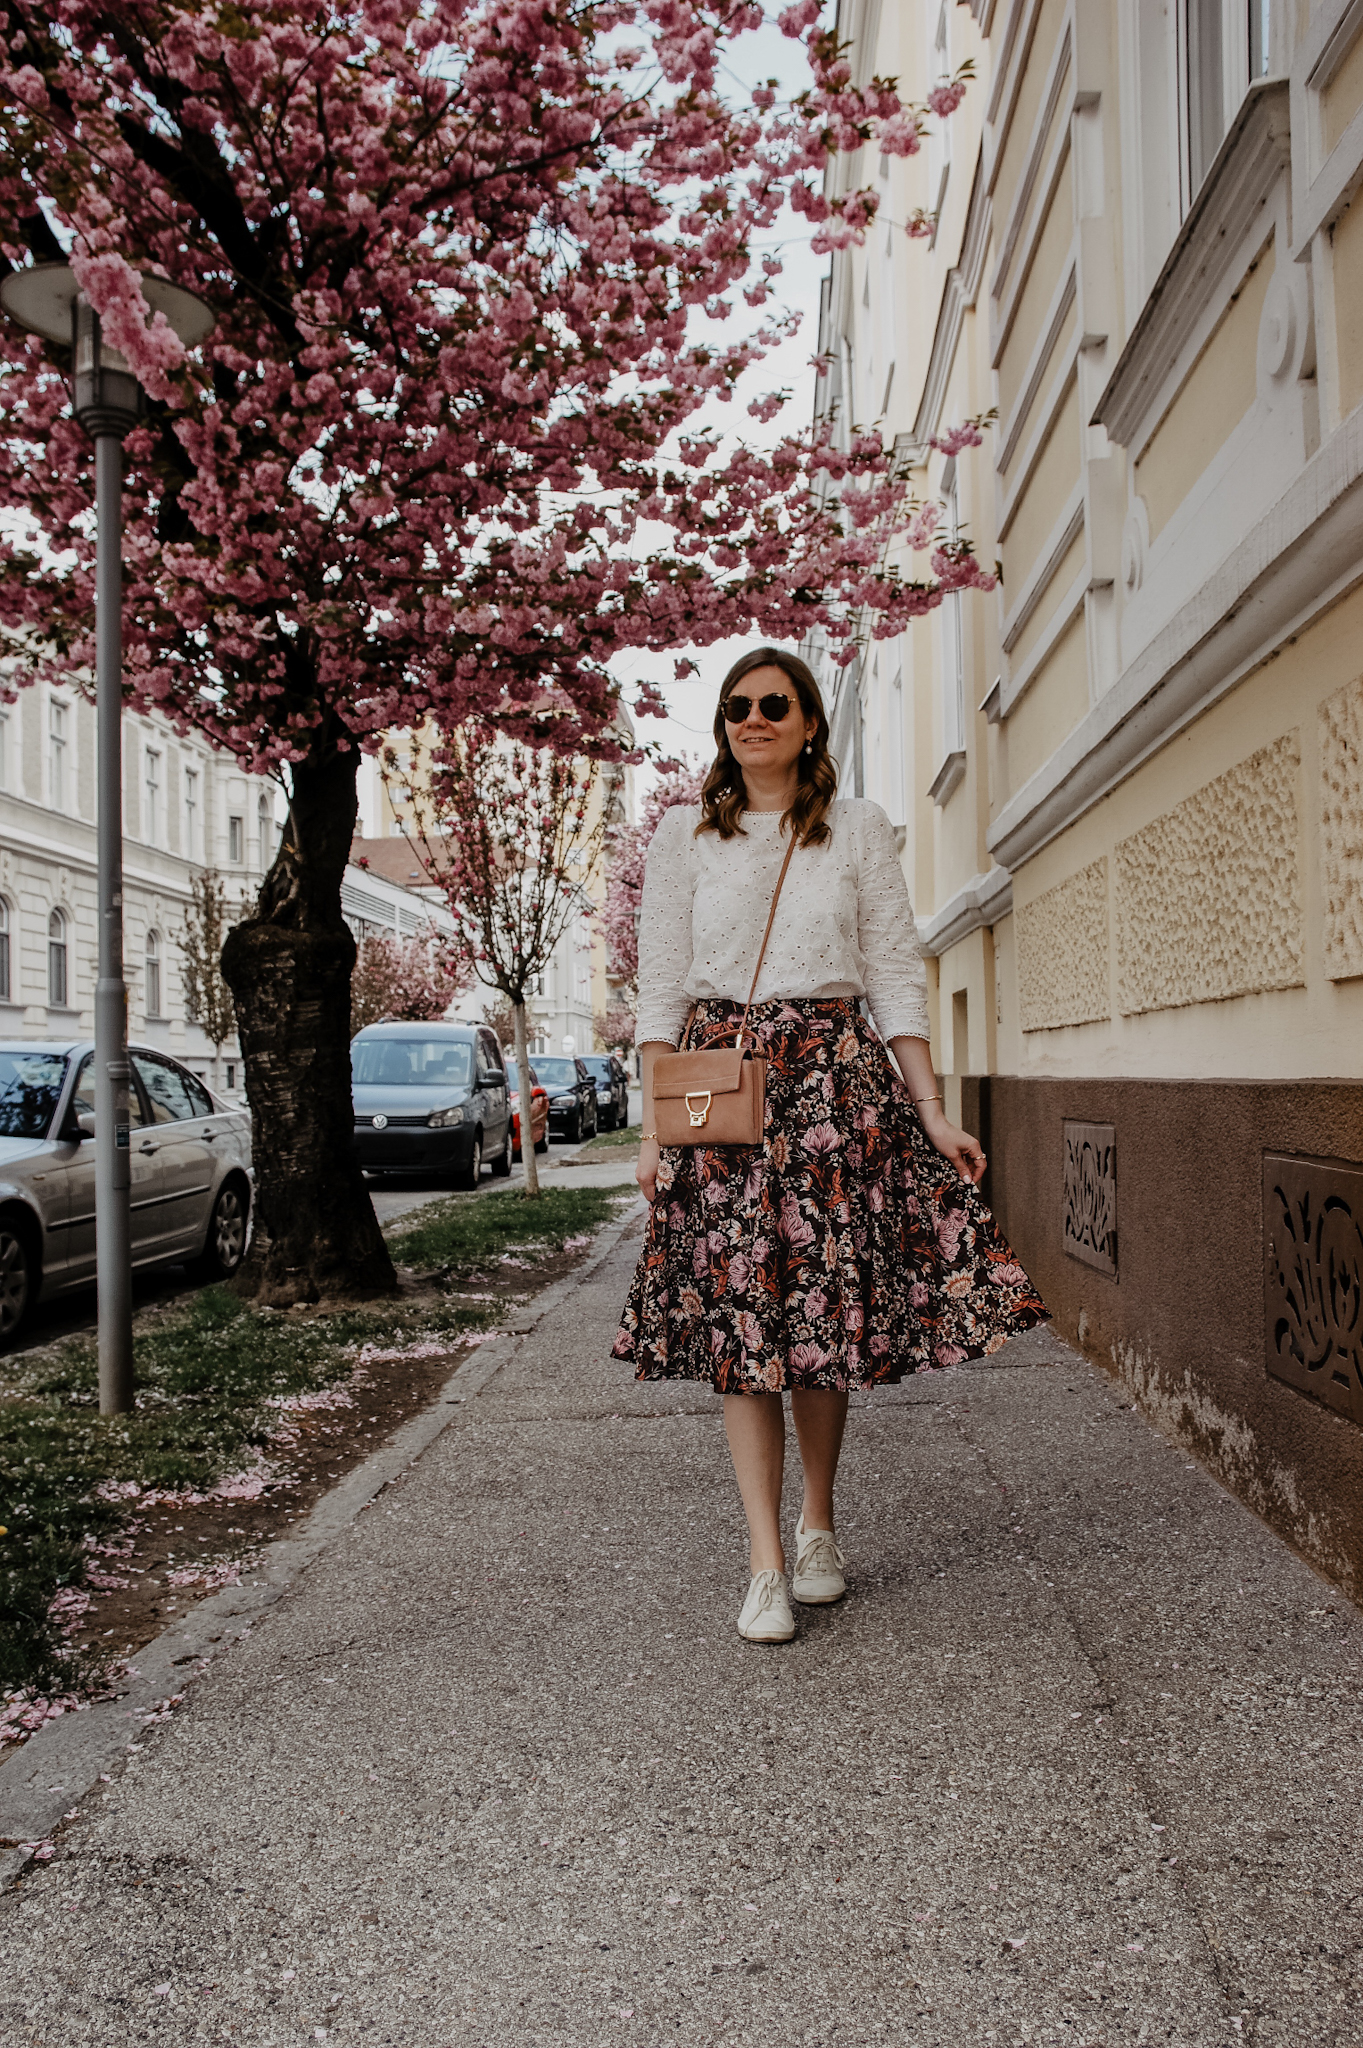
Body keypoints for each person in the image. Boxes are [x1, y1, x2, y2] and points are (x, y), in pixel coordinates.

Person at [612, 646, 1047, 1643]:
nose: (753, 719)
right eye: (736, 706)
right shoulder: (685, 833)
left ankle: (817, 1522)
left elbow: (894, 970)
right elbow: (661, 985)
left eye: (774, 703)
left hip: (833, 1087)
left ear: (810, 722)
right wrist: (652, 1129)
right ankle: (763, 1561)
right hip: (721, 1090)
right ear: (720, 725)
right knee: (739, 1326)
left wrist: (932, 1107)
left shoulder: (855, 829)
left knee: (815, 1318)